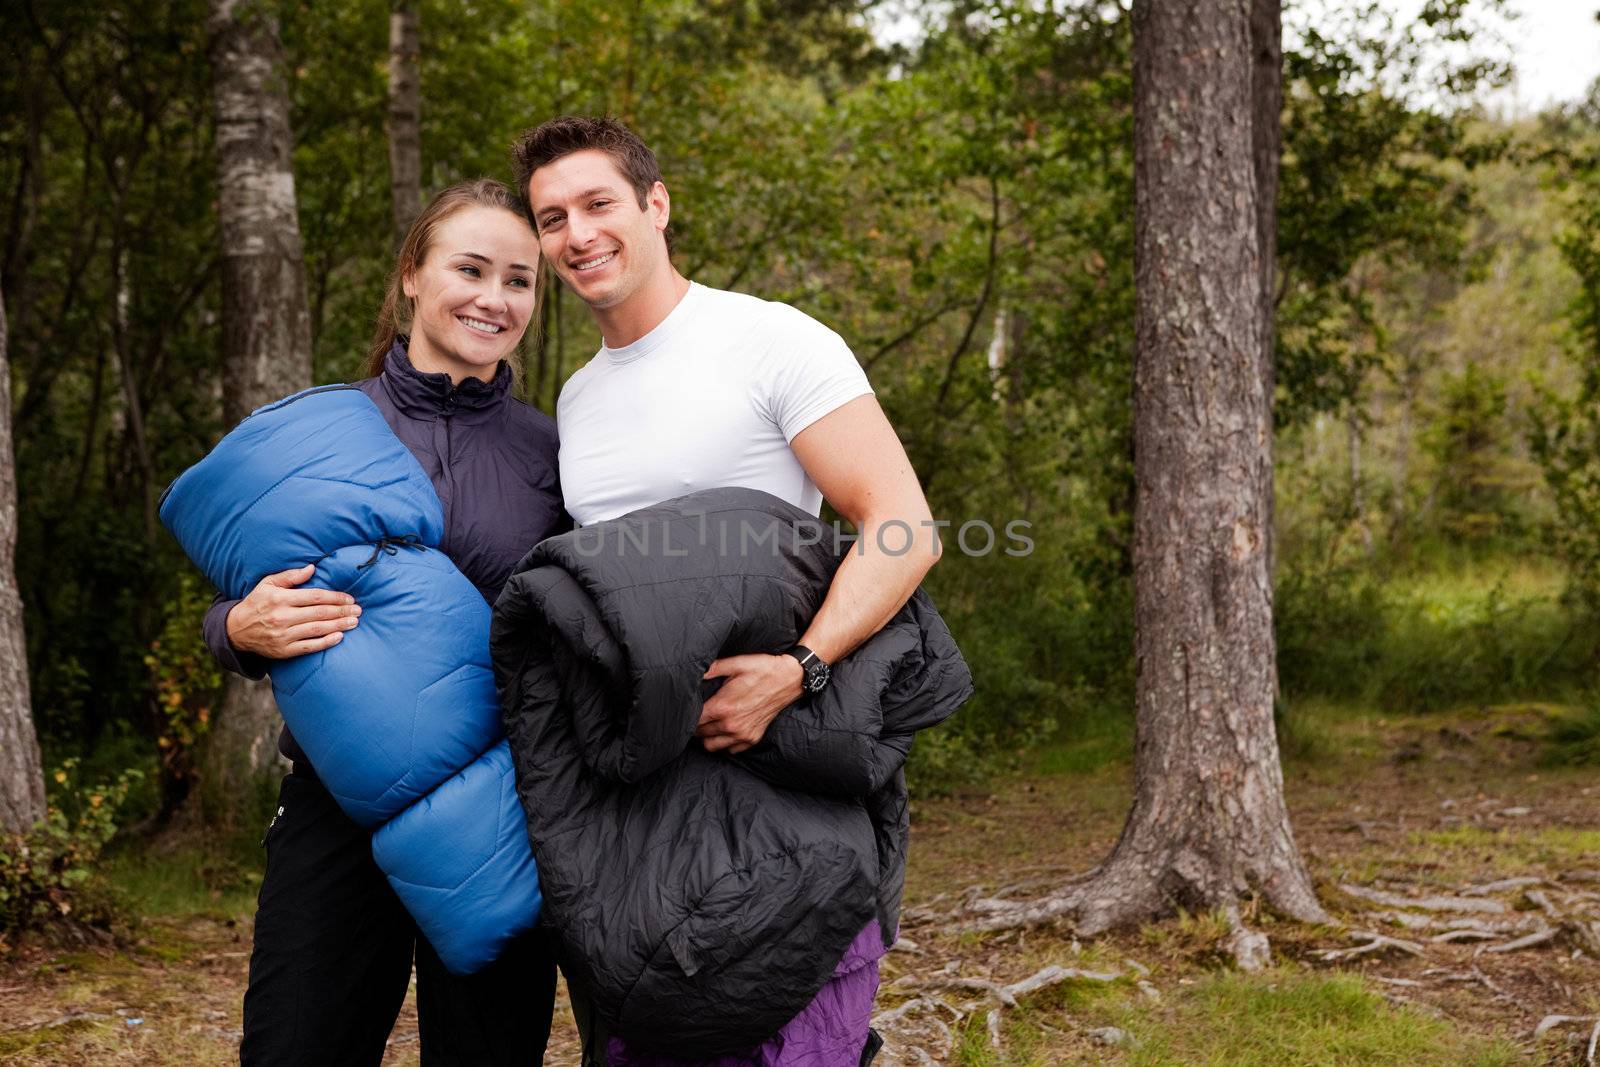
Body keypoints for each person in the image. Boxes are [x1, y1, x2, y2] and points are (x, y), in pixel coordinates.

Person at [512, 116, 941, 1066]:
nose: (577, 234)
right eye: (551, 218)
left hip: (778, 764)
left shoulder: (771, 341)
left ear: (656, 205)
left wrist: (800, 668)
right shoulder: (578, 398)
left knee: (793, 1026)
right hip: (648, 780)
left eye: (598, 204)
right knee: (650, 1022)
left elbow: (904, 528)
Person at [201, 178, 565, 1066]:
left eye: (519, 280)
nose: (494, 297)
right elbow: (237, 594)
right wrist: (236, 629)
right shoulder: (326, 427)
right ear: (412, 273)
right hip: (333, 804)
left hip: (503, 809)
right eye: (470, 269)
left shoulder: (556, 451)